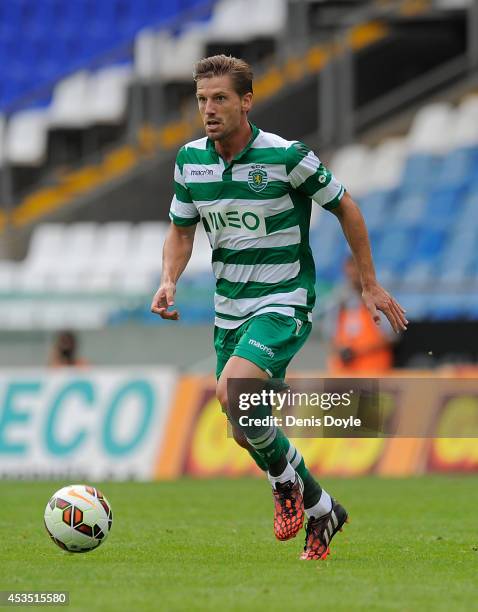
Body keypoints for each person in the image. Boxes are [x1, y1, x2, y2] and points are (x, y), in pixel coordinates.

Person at [151, 55, 407, 561]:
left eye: (220, 98)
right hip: (230, 311)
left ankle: (285, 487)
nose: (209, 109)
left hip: (283, 300)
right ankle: (321, 506)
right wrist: (168, 279)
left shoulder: (287, 157)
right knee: (244, 422)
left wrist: (370, 284)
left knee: (233, 391)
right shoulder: (189, 161)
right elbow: (182, 231)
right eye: (203, 99)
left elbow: (346, 205)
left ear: (246, 101)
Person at [327, 255, 395, 372]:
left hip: (374, 371)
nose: (353, 273)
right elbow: (329, 336)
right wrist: (342, 351)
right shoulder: (338, 300)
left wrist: (358, 351)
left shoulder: (380, 299)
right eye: (351, 268)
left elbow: (392, 336)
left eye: (357, 268)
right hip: (343, 373)